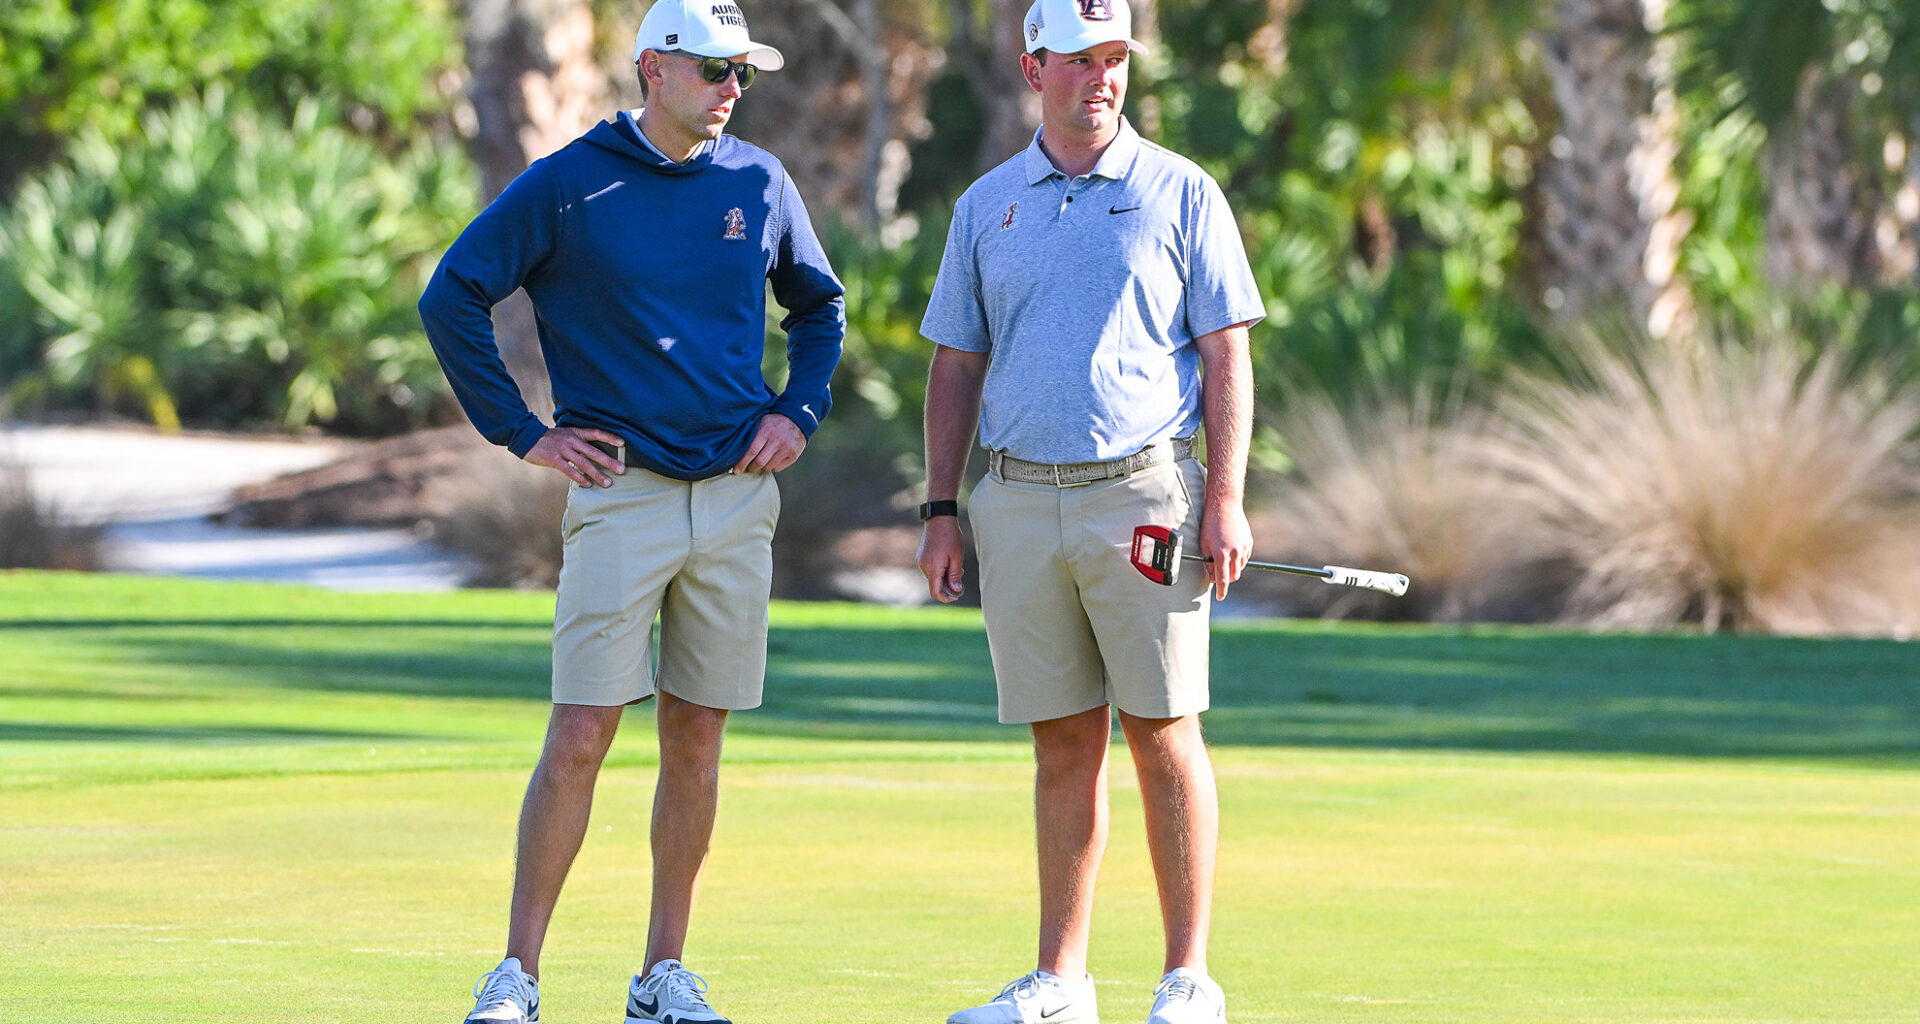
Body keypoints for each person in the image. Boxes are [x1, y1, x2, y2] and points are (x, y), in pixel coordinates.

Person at [417, 1, 844, 1021]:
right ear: (654, 68)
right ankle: (516, 974)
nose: (732, 90)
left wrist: (800, 409)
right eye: (714, 71)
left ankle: (663, 974)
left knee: (698, 735)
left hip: (738, 500)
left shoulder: (759, 179)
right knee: (582, 730)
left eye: (743, 73)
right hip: (623, 498)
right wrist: (525, 435)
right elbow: (454, 294)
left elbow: (818, 308)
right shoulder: (572, 182)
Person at [915, 1, 1264, 1022]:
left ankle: (1188, 976)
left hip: (1146, 493)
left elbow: (1227, 354)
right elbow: (957, 362)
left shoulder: (1182, 192)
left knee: (1164, 732)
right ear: (1033, 67)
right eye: (1079, 59)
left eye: (1114, 57)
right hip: (1017, 500)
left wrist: (1228, 498)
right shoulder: (988, 205)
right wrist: (943, 506)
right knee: (1062, 744)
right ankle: (1061, 981)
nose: (1101, 76)